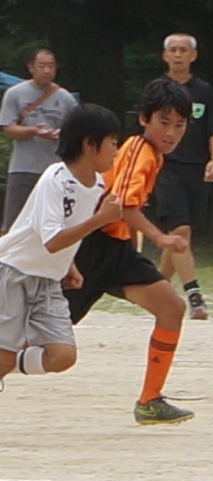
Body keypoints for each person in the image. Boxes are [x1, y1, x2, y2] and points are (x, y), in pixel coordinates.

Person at [63, 78, 195, 425]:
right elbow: (119, 204)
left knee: (172, 308)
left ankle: (150, 401)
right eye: (164, 122)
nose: (171, 132)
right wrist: (159, 238)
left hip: (117, 249)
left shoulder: (152, 154)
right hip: (92, 248)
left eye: (179, 125)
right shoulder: (140, 150)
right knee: (46, 335)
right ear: (143, 119)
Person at [0, 104, 122, 384]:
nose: (116, 151)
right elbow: (52, 240)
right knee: (4, 356)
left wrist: (69, 264)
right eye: (112, 143)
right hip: (14, 272)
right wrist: (101, 219)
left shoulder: (97, 185)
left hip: (48, 279)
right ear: (89, 144)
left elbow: (67, 228)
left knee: (63, 355)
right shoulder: (55, 179)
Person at [152, 33, 213, 320]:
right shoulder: (157, 90)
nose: (178, 54)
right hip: (166, 167)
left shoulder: (204, 92)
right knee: (180, 231)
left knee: (178, 237)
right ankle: (195, 296)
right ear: (165, 55)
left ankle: (156, 287)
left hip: (195, 169)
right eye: (173, 50)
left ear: (193, 55)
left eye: (184, 50)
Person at [0, 48, 78, 234]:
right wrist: (33, 131)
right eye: (42, 66)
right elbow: (7, 128)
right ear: (31, 68)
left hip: (55, 170)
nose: (47, 70)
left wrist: (63, 135)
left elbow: (76, 131)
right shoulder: (15, 94)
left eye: (51, 66)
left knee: (53, 224)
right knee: (13, 223)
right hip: (23, 168)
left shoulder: (66, 98)